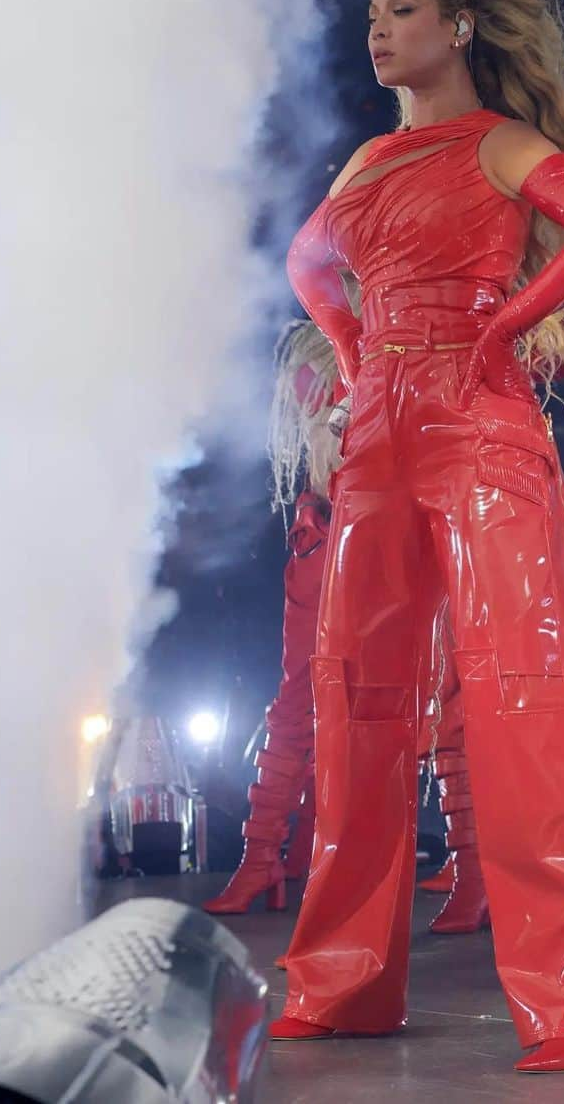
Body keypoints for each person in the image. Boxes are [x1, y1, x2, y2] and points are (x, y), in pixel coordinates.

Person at [272, 0, 564, 1074]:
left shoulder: (501, 144)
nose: (380, 29)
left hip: (481, 425)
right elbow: (309, 267)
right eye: (374, 12)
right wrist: (356, 348)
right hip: (378, 439)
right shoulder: (365, 163)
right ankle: (342, 982)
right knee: (357, 702)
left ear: (458, 28)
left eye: (402, 10)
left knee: (523, 691)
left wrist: (503, 327)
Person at [201, 322, 336, 914]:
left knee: (407, 708)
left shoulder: (401, 338)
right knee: (298, 707)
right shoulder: (322, 355)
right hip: (333, 537)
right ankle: (264, 861)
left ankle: (295, 857)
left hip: (382, 538)